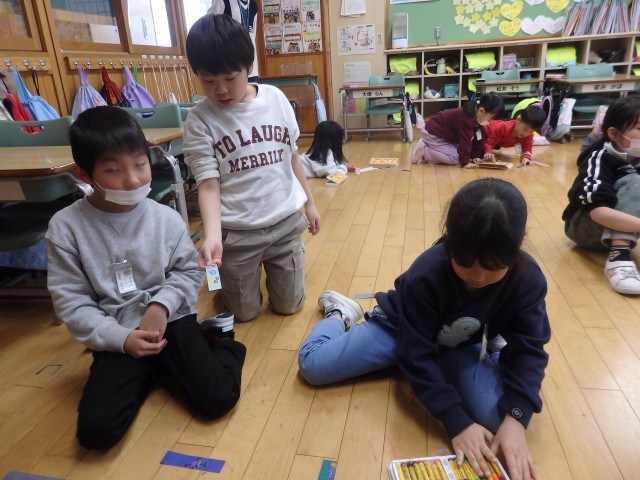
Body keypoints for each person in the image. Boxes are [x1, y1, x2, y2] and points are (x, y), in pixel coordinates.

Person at [298, 178, 550, 480]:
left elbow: (529, 349)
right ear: (450, 242)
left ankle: (490, 351)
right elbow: (415, 352)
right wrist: (457, 422)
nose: (479, 277)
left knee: (497, 418)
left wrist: (517, 417)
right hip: (399, 329)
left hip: (457, 343)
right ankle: (341, 313)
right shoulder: (426, 274)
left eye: (493, 267)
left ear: (515, 250)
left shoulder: (527, 278)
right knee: (313, 366)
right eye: (465, 263)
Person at [45, 106, 246, 450]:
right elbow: (72, 302)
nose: (134, 180)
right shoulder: (66, 228)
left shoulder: (165, 217)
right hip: (118, 328)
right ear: (84, 173)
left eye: (140, 164)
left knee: (218, 399)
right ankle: (156, 367)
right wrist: (121, 339)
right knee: (96, 432)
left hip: (173, 318)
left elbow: (186, 272)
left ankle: (221, 342)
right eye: (113, 170)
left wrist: (161, 305)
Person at [183, 14, 321, 322]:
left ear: (249, 66)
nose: (221, 90)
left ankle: (278, 269)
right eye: (209, 81)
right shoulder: (199, 119)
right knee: (242, 314)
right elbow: (208, 184)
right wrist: (213, 237)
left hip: (284, 222)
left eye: (230, 78)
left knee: (289, 305)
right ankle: (230, 283)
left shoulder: (276, 99)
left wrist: (310, 204)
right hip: (238, 233)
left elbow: (292, 156)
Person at [563, 96, 640, 295]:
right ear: (614, 133)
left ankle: (620, 247)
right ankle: (619, 258)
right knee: (633, 180)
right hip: (584, 228)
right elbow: (598, 212)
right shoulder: (599, 158)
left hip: (622, 226)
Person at [411, 92, 504, 168]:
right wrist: (464, 162)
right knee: (456, 159)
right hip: (433, 133)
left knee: (461, 151)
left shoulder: (477, 116)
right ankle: (425, 151)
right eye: (491, 118)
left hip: (442, 134)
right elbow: (465, 141)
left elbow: (479, 138)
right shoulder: (466, 119)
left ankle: (428, 147)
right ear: (481, 111)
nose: (490, 122)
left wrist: (476, 156)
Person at [208, 0, 259, 82]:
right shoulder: (222, 1)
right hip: (228, 60)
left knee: (251, 87)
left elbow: (253, 32)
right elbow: (211, 28)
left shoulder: (253, 6)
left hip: (250, 60)